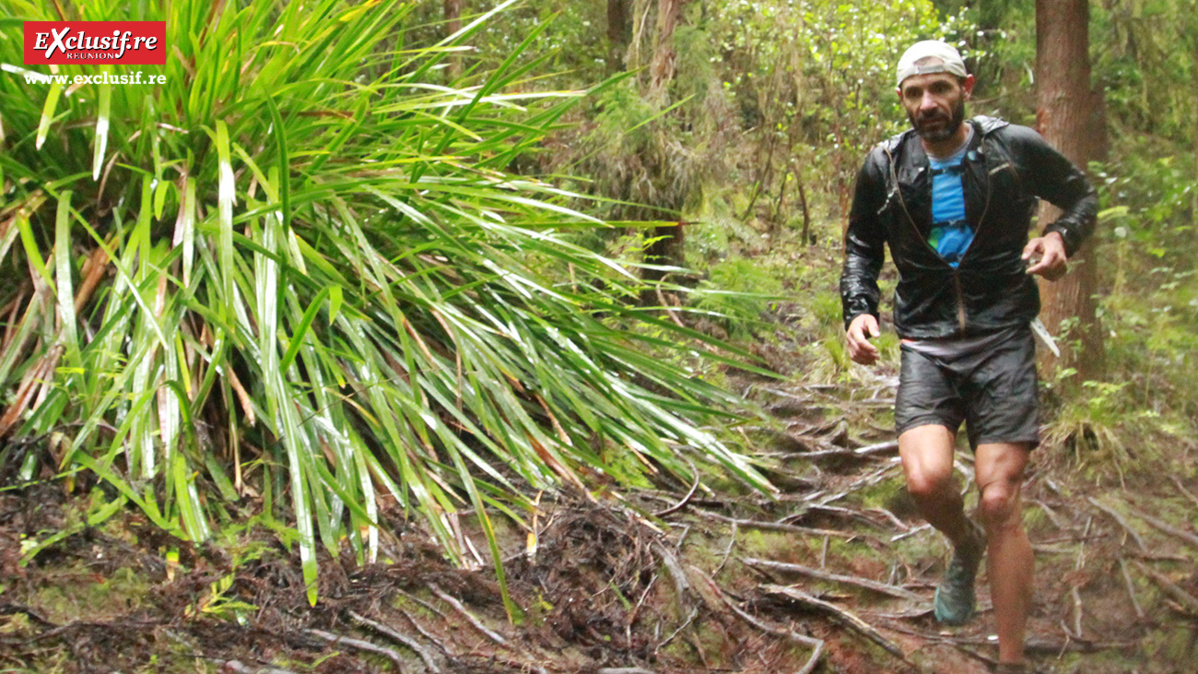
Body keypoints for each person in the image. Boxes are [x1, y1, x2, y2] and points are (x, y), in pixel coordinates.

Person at [839, 40, 1097, 671]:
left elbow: (1082, 195)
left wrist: (1062, 235)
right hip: (927, 342)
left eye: (940, 89)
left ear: (966, 87)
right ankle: (964, 545)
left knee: (1000, 498)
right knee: (927, 480)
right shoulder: (884, 165)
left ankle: (1010, 662)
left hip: (1002, 336)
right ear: (902, 99)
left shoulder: (1013, 148)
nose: (928, 104)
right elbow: (860, 247)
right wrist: (859, 309)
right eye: (914, 93)